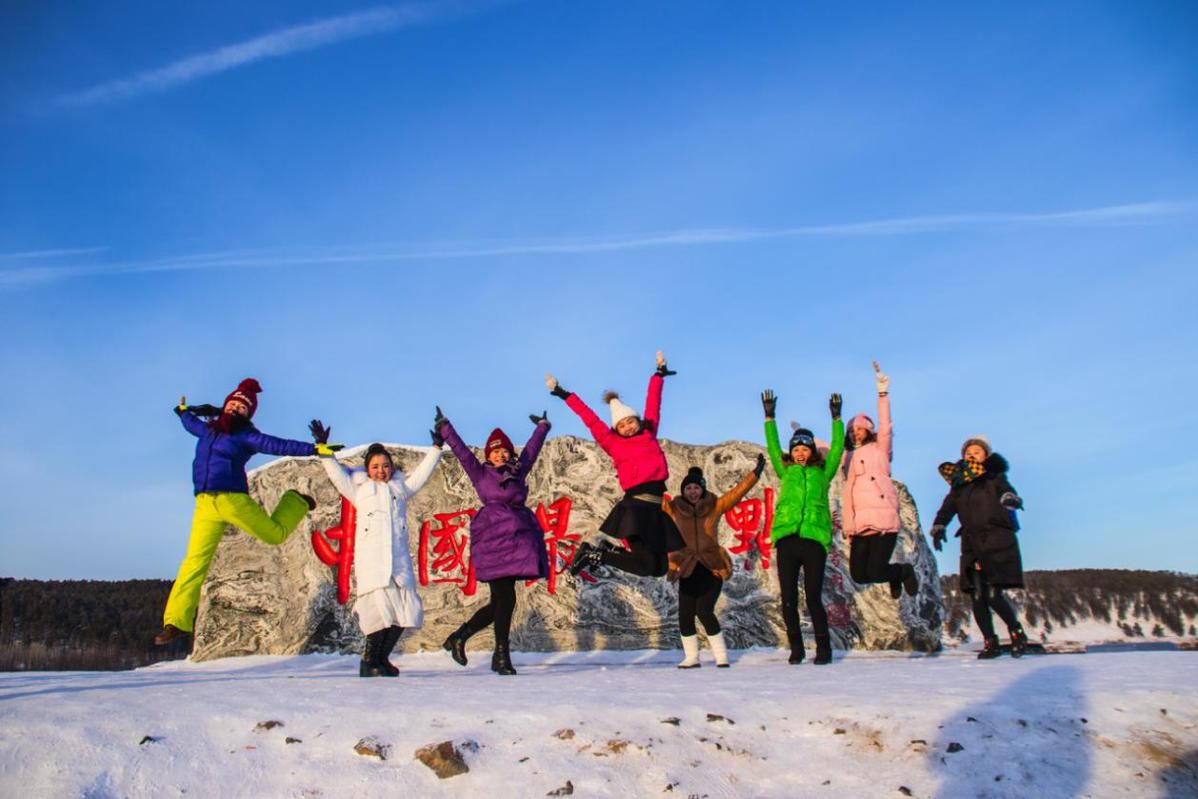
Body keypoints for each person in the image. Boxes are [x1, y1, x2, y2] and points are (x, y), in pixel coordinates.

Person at [156, 379, 340, 646]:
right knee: (194, 562)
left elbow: (278, 445)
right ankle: (175, 621)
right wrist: (183, 411)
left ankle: (295, 501)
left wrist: (313, 449)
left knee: (275, 534)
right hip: (205, 505)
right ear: (224, 405)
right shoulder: (207, 430)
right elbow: (189, 423)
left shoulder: (245, 437)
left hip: (234, 501)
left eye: (242, 408)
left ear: (247, 414)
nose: (235, 409)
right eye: (233, 403)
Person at [313, 423, 442, 677]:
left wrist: (437, 448)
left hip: (398, 563)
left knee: (404, 614)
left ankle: (382, 658)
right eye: (375, 466)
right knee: (378, 615)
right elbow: (337, 475)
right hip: (373, 563)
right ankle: (370, 661)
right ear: (367, 469)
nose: (381, 471)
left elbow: (421, 475)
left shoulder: (400, 489)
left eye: (385, 466)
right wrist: (324, 451)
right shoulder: (358, 489)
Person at [435, 407, 552, 676]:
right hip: (492, 539)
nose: (501, 454)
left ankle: (462, 638)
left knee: (503, 602)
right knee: (504, 598)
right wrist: (446, 428)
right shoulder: (481, 473)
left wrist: (542, 427)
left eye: (505, 451)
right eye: (495, 450)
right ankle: (498, 655)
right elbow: (463, 453)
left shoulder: (518, 471)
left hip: (516, 541)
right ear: (488, 455)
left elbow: (532, 451)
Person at [547, 351, 681, 578]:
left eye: (630, 421)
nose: (628, 427)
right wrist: (564, 394)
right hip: (635, 509)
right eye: (622, 425)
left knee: (659, 569)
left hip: (655, 509)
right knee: (646, 565)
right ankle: (594, 555)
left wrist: (658, 375)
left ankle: (607, 550)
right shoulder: (612, 443)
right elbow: (589, 418)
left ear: (638, 421)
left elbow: (653, 402)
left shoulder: (649, 432)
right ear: (616, 430)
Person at [761, 389, 845, 665]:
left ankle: (824, 649)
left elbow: (836, 450)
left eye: (804, 449)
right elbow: (773, 448)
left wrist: (836, 419)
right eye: (796, 449)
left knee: (813, 597)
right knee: (788, 598)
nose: (799, 453)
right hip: (787, 539)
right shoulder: (786, 471)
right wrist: (769, 417)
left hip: (813, 540)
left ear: (811, 451)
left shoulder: (823, 473)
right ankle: (796, 648)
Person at [930, 436, 1028, 659]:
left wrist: (1011, 499)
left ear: (986, 456)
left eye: (976, 451)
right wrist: (939, 526)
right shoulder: (959, 484)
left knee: (993, 594)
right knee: (976, 595)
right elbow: (947, 509)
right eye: (968, 452)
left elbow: (1007, 491)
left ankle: (1016, 632)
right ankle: (990, 641)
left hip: (996, 540)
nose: (971, 454)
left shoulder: (994, 477)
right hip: (972, 543)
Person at [664, 457, 765, 668]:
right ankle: (691, 657)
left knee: (704, 610)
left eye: (695, 488)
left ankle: (721, 656)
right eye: (688, 488)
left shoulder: (715, 506)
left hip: (712, 567)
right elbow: (653, 495)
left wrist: (755, 474)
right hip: (687, 566)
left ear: (702, 489)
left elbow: (737, 493)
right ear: (683, 491)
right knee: (685, 614)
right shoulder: (674, 508)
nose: (692, 492)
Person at [841, 362, 918, 599]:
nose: (856, 433)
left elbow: (886, 427)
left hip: (881, 519)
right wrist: (803, 435)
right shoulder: (847, 456)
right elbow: (828, 450)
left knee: (875, 570)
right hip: (860, 524)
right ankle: (894, 575)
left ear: (868, 431)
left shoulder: (879, 449)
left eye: (860, 429)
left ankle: (902, 571)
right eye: (852, 430)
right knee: (859, 575)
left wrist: (882, 393)